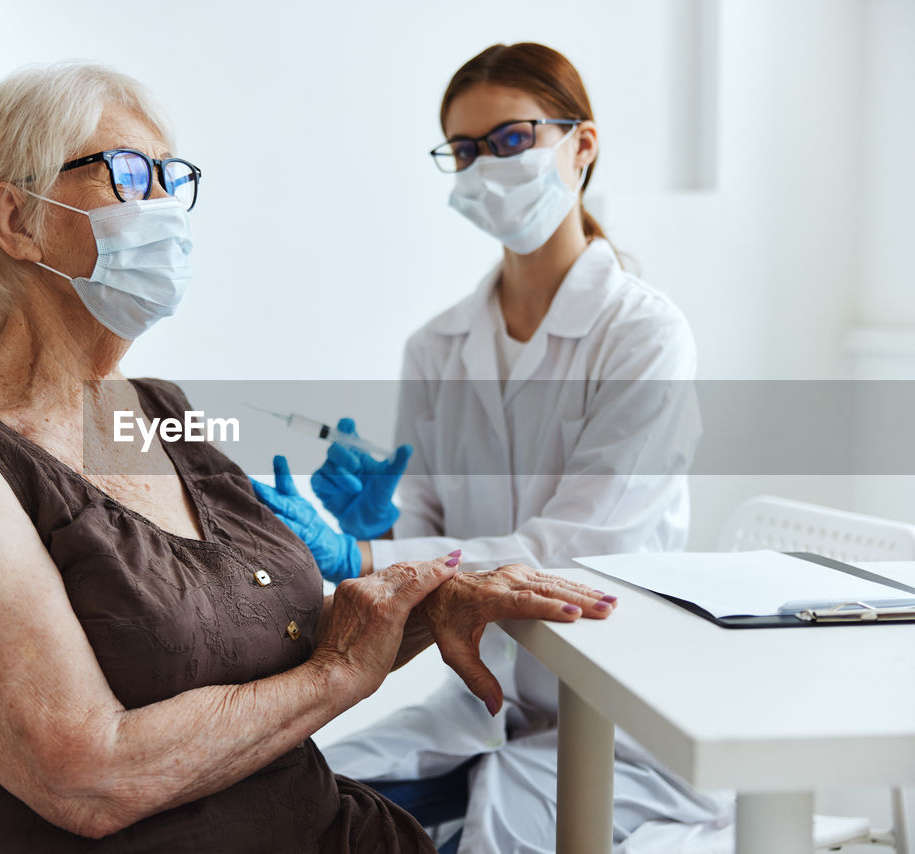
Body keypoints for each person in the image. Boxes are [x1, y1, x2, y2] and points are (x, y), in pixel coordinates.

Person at [0, 61, 617, 854]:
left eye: (169, 179)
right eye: (125, 174)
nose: (162, 210)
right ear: (16, 219)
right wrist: (337, 675)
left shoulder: (157, 409)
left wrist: (436, 604)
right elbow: (87, 779)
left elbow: (273, 624)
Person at [257, 43, 729, 853]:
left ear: (581, 144)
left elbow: (576, 556)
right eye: (466, 151)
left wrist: (369, 556)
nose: (486, 168)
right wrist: (382, 527)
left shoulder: (644, 335)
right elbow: (428, 528)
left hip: (623, 713)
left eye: (511, 140)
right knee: (298, 803)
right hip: (484, 701)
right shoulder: (437, 347)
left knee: (499, 829)